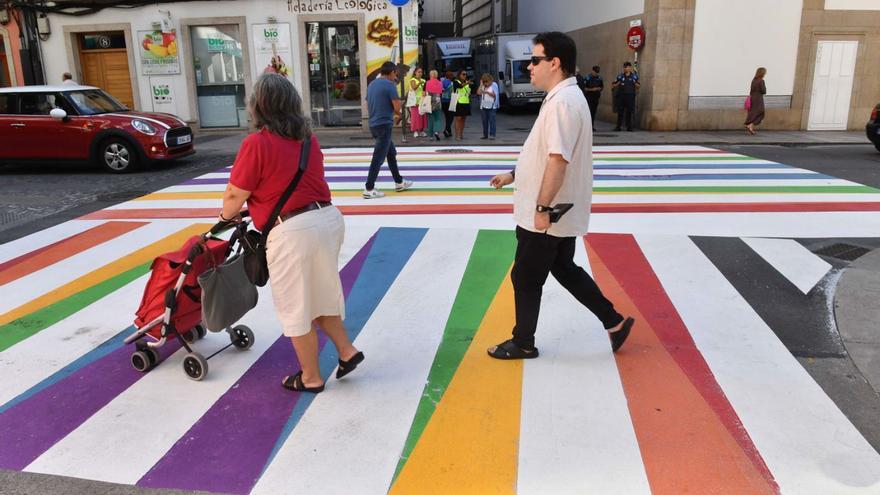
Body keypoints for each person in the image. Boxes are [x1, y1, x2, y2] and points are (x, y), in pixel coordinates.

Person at [486, 31, 635, 360]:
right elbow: (543, 155)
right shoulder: (563, 98)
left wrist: (542, 207)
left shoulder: (563, 103)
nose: (529, 67)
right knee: (564, 268)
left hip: (550, 212)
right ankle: (613, 322)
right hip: (559, 209)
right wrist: (513, 174)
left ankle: (523, 341)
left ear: (555, 63)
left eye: (535, 60)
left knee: (525, 276)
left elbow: (558, 159)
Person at [219, 73, 363, 393]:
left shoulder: (256, 143)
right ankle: (346, 351)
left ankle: (310, 377)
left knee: (295, 306)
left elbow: (233, 197)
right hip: (327, 219)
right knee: (319, 294)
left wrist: (225, 216)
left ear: (259, 106)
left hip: (295, 231)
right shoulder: (308, 139)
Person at [363, 61, 414, 199]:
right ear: (391, 73)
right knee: (378, 158)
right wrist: (400, 109)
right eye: (395, 74)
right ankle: (369, 188)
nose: (396, 77)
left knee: (390, 153)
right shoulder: (390, 86)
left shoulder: (372, 84)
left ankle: (399, 182)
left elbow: (367, 105)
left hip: (373, 124)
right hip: (384, 124)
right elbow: (397, 108)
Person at [612, 62, 639, 131]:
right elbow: (613, 85)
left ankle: (629, 127)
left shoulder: (634, 76)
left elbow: (638, 86)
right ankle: (618, 127)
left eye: (627, 67)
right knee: (620, 111)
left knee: (629, 112)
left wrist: (635, 83)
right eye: (624, 67)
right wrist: (618, 83)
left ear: (630, 68)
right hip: (621, 96)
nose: (625, 68)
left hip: (630, 96)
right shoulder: (620, 76)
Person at [477, 73, 500, 140]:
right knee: (484, 121)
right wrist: (481, 85)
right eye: (484, 82)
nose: (486, 83)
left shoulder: (494, 85)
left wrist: (487, 92)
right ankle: (485, 135)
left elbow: (495, 95)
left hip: (492, 106)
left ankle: (492, 134)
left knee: (492, 120)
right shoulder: (483, 86)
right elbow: (478, 93)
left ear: (490, 80)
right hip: (483, 106)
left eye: (487, 81)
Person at [744, 67, 767, 135]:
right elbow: (764, 91)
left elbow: (751, 91)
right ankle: (750, 125)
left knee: (753, 112)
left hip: (753, 98)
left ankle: (750, 126)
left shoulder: (753, 80)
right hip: (758, 98)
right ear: (762, 73)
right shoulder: (761, 80)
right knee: (761, 113)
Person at [407, 67, 427, 138]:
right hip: (414, 101)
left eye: (421, 72)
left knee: (422, 116)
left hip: (422, 101)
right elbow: (414, 87)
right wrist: (419, 83)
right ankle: (415, 131)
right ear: (415, 72)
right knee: (415, 117)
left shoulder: (423, 80)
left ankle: (422, 131)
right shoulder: (413, 80)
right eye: (418, 72)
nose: (420, 73)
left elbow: (425, 90)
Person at [452, 70, 472, 140]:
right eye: (463, 74)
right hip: (458, 102)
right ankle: (457, 135)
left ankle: (461, 134)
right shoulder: (456, 81)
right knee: (458, 118)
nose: (465, 76)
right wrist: (467, 83)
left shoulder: (466, 82)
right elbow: (459, 86)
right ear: (459, 75)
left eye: (465, 74)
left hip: (466, 102)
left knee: (463, 119)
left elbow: (469, 91)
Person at [425, 69, 444, 140]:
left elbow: (427, 92)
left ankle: (430, 136)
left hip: (429, 103)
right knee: (437, 118)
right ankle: (436, 131)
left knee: (430, 119)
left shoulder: (428, 83)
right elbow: (441, 92)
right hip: (438, 102)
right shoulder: (440, 83)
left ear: (430, 75)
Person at [440, 70, 455, 138]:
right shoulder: (451, 83)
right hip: (450, 101)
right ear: (450, 76)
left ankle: (449, 131)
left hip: (443, 101)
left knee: (447, 117)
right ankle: (446, 129)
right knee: (451, 117)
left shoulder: (442, 82)